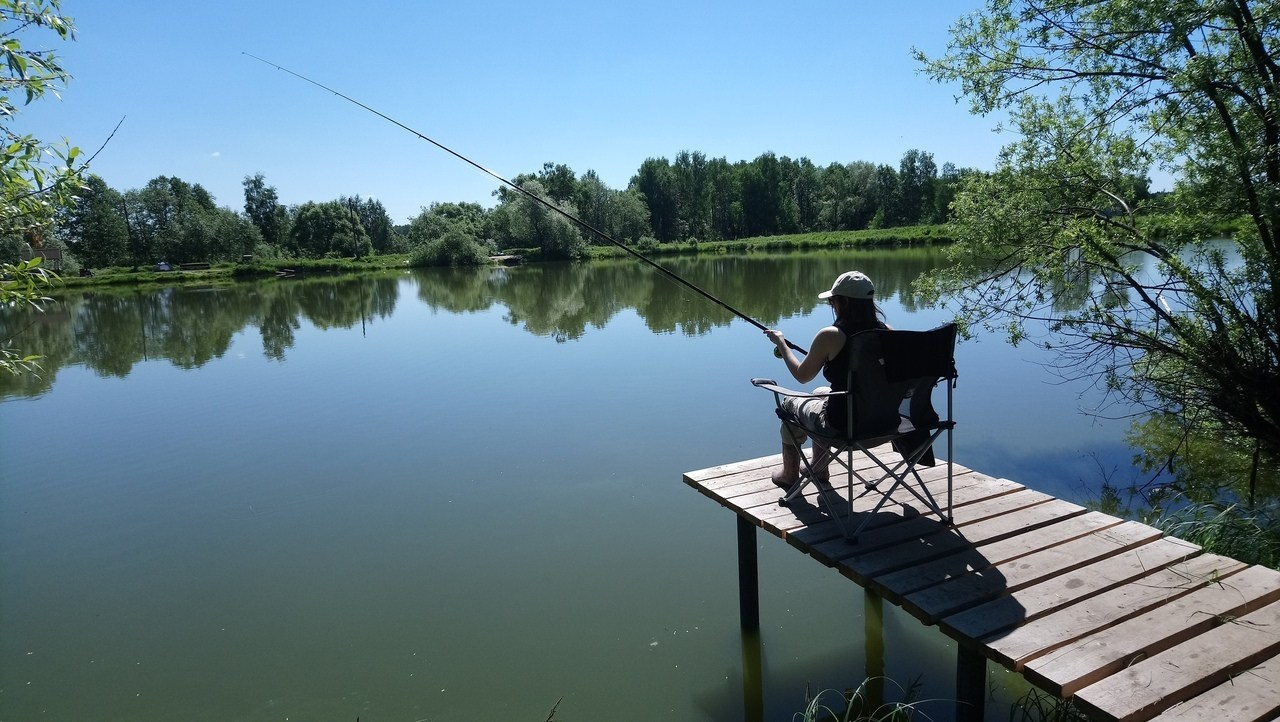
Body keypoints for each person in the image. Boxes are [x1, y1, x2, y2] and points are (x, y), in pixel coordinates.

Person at [764, 270, 888, 490]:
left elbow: (802, 376)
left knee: (789, 403)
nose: (832, 306)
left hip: (843, 428)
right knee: (822, 391)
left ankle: (789, 474)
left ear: (845, 302)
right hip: (884, 425)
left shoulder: (831, 335)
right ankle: (819, 467)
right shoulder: (889, 333)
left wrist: (782, 344)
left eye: (833, 301)